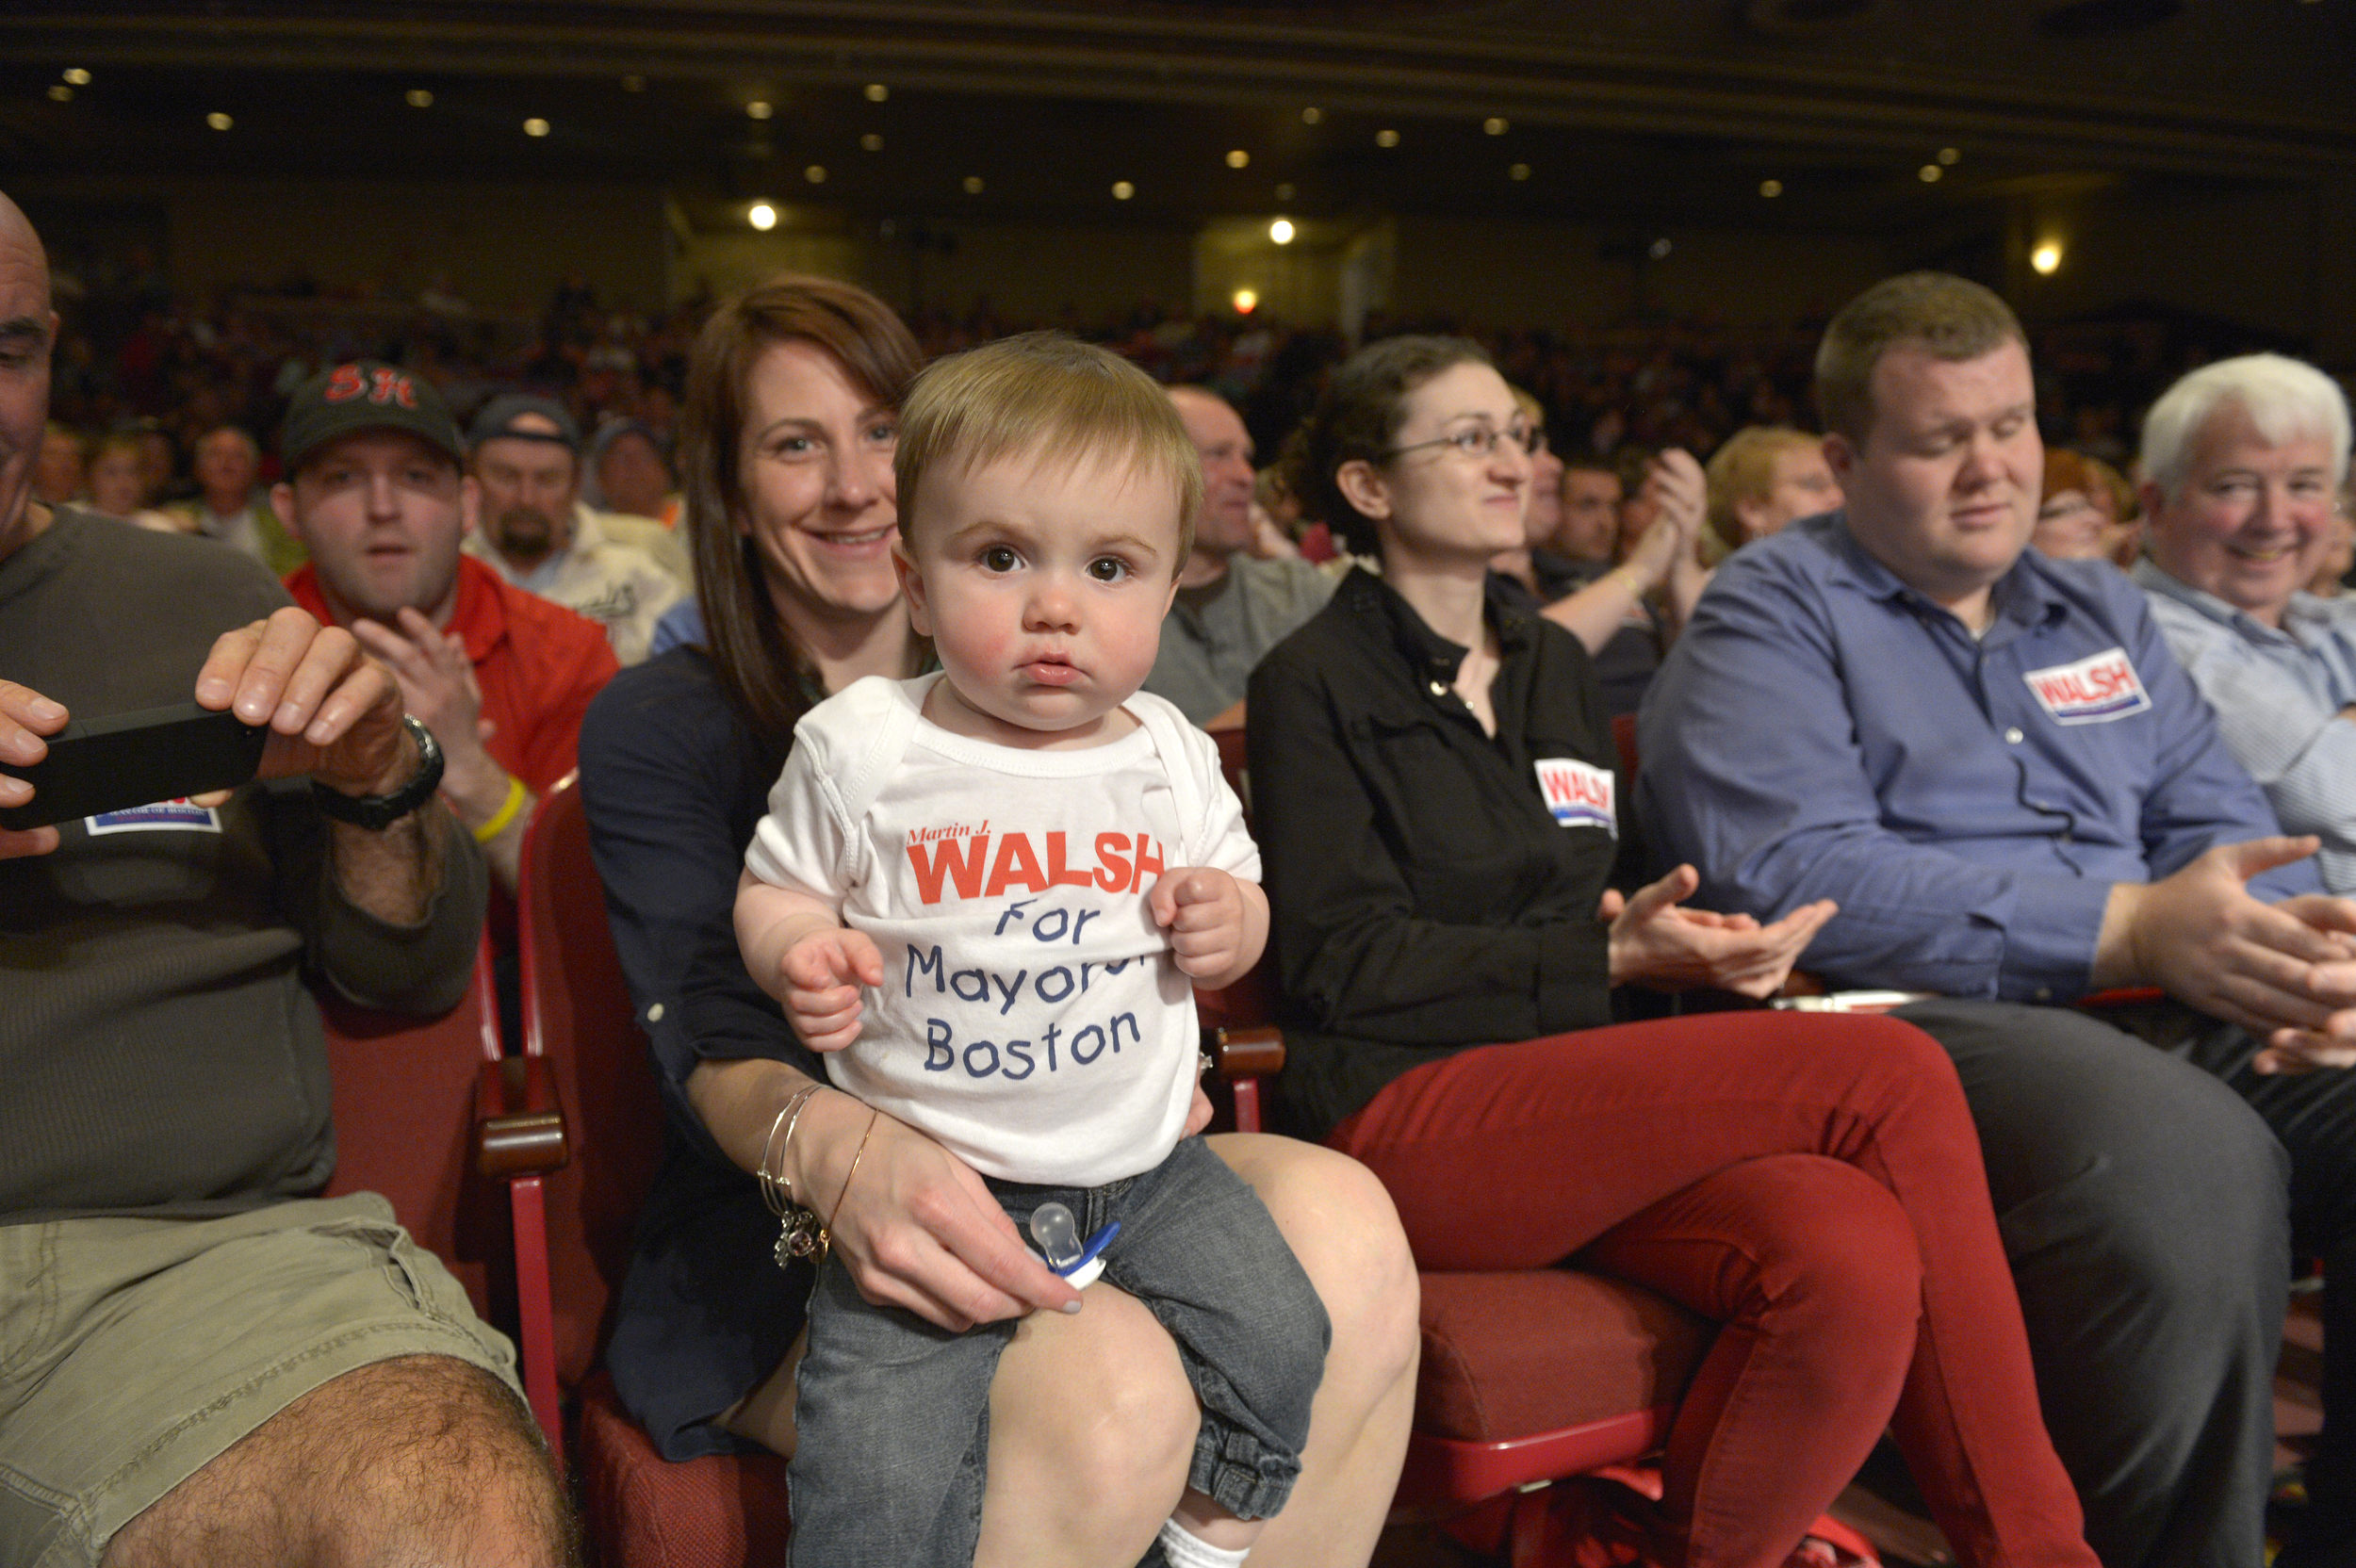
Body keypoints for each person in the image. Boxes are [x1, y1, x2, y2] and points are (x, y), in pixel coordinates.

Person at [578, 273, 1418, 1568]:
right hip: (788, 1221)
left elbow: (1186, 892)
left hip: (1090, 1158)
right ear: (734, 491)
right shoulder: (712, 729)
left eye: (880, 431)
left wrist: (1155, 1017)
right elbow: (704, 1048)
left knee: (1350, 1235)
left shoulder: (1099, 699)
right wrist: (844, 1144)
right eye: (797, 445)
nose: (854, 481)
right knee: (1114, 1389)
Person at [1250, 332, 2099, 1568]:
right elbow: (1339, 962)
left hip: (1576, 1109)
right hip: (1401, 1120)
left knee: (1843, 1249)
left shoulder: (1543, 659)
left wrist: (1691, 945)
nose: (1513, 462)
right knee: (1889, 1073)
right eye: (1470, 438)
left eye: (1521, 434)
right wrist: (1601, 964)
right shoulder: (1312, 679)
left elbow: (1588, 893)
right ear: (1368, 489)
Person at [1638, 271, 2356, 1568]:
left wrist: (2295, 965)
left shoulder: (2100, 606)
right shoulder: (1773, 610)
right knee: (2188, 1155)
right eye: (1939, 441)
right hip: (1920, 1027)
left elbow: (2221, 826)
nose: (1991, 471)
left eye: (2011, 426)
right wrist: (2128, 925)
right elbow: (1797, 871)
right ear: (1846, 459)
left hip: (2162, 1009)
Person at [0, 190, 569, 1568]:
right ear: (289, 498)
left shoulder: (203, 606)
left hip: (192, 1276)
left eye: (4, 351)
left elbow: (403, 967)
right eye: (344, 478)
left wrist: (383, 774)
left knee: (450, 1498)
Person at [736, 333, 1328, 1568]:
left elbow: (1244, 887)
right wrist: (797, 948)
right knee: (877, 1475)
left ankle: (1204, 1542)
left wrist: (1235, 919)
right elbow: (777, 887)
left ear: (1170, 592)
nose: (1056, 606)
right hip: (940, 1192)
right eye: (1001, 557)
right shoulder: (865, 743)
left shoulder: (1167, 748)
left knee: (1280, 1337)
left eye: (1110, 567)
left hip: (1146, 1168)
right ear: (912, 577)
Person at [276, 363, 618, 894]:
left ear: (468, 506)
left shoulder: (567, 652)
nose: (383, 507)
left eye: (416, 477)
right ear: (289, 511)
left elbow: (589, 905)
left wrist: (467, 770)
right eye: (342, 477)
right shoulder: (247, 646)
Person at [2131, 353, 2356, 898]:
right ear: (2157, 505)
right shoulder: (2147, 636)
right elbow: (2342, 797)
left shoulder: (2333, 618)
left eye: (2304, 485)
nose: (2274, 520)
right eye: (2235, 486)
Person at [1143, 385, 1335, 727]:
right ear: (1146, 470)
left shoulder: (1302, 594)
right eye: (1219, 454)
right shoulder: (1110, 618)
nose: (1246, 476)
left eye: (1246, 457)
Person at [463, 394, 684, 665]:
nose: (527, 498)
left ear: (576, 484)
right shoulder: (447, 573)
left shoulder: (637, 574)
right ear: (471, 481)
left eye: (548, 479)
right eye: (506, 476)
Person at [170, 423, 306, 575]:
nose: (226, 463)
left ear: (255, 469)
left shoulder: (282, 524)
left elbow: (292, 578)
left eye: (238, 456)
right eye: (215, 454)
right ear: (197, 468)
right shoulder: (173, 518)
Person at [1700, 425, 1841, 564]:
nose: (1838, 497)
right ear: (1752, 510)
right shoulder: (1736, 585)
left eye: (1839, 482)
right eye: (1813, 485)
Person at [86, 429, 176, 531]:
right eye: (111, 472)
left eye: (132, 472)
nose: (123, 481)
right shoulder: (72, 521)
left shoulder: (159, 527)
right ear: (90, 477)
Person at [33, 417, 81, 505]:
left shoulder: (90, 514)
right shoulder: (14, 506)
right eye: (54, 456)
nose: (65, 464)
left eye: (72, 457)